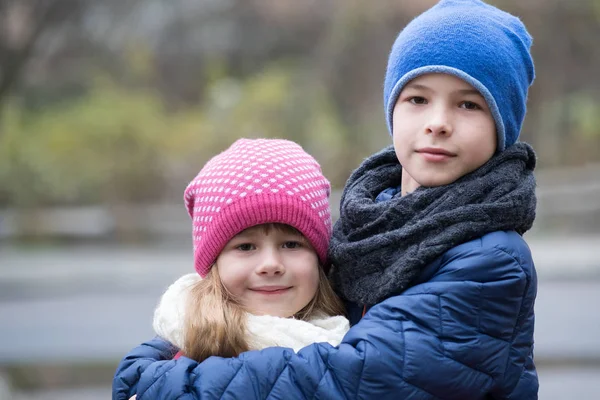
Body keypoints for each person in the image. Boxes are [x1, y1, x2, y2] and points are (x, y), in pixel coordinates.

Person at [113, 0, 539, 398]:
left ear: (503, 125)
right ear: (392, 108)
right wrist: (158, 358)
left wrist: (170, 385)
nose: (438, 123)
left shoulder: (490, 261)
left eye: (468, 104)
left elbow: (351, 377)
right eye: (418, 99)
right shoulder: (372, 224)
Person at [112, 138, 349, 400]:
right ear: (213, 264)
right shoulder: (189, 364)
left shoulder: (351, 341)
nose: (270, 264)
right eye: (246, 247)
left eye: (291, 244)